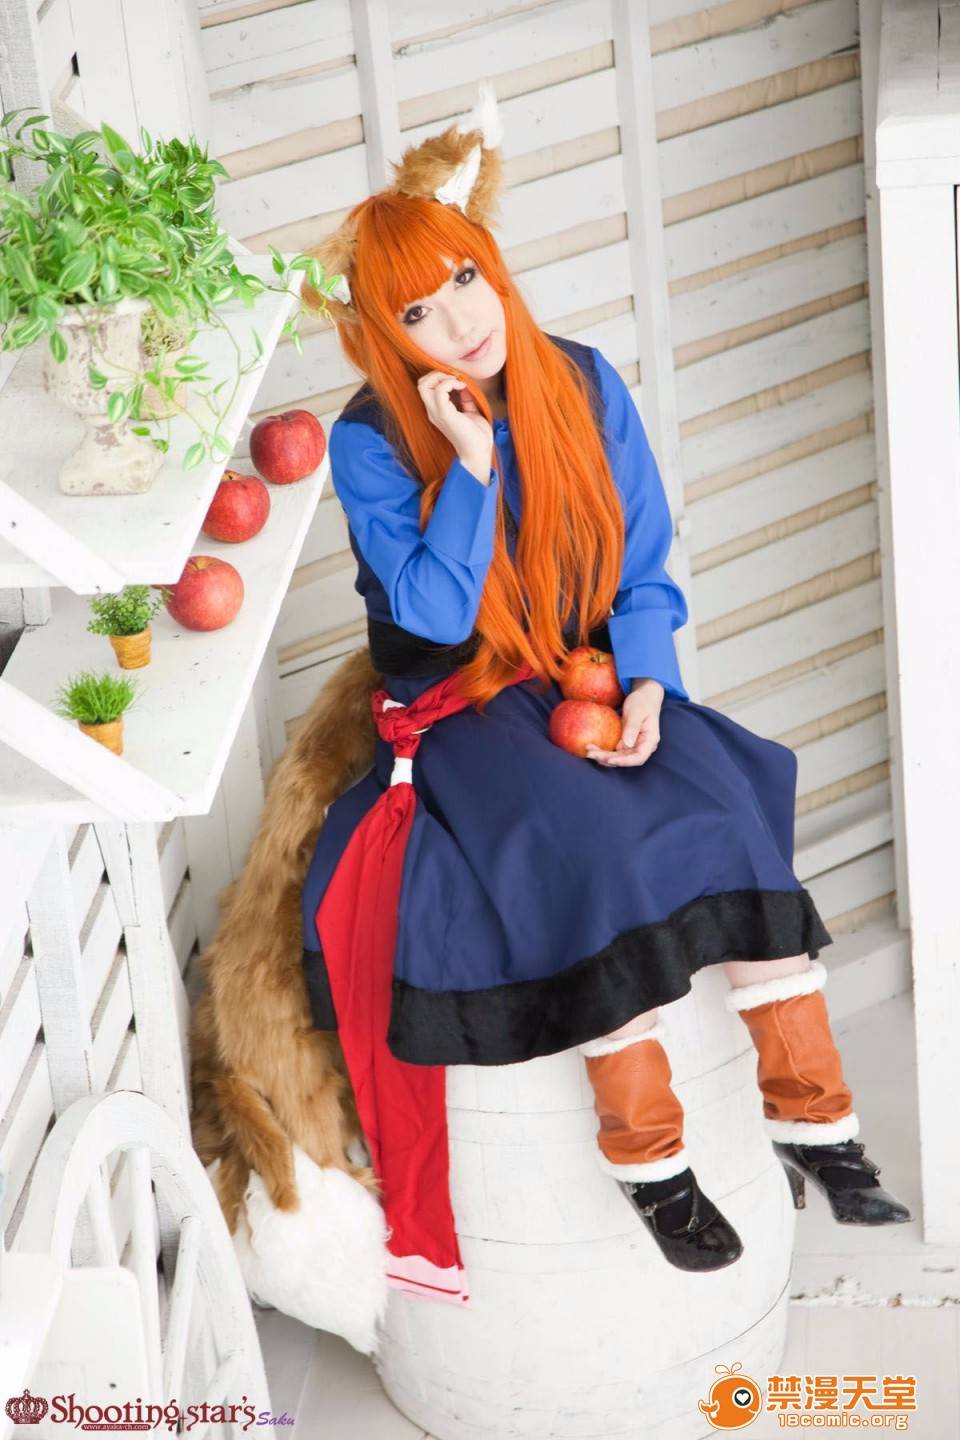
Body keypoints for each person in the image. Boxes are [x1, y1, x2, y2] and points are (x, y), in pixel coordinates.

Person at [296, 84, 910, 1301]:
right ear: (384, 336)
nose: (458, 319)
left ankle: (816, 1122)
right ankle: (652, 1164)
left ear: (491, 262)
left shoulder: (581, 379)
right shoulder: (370, 441)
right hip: (466, 704)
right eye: (416, 311)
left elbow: (641, 565)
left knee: (724, 805)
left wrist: (650, 690)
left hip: (588, 670)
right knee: (582, 854)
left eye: (464, 278)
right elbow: (430, 612)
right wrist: (473, 467)